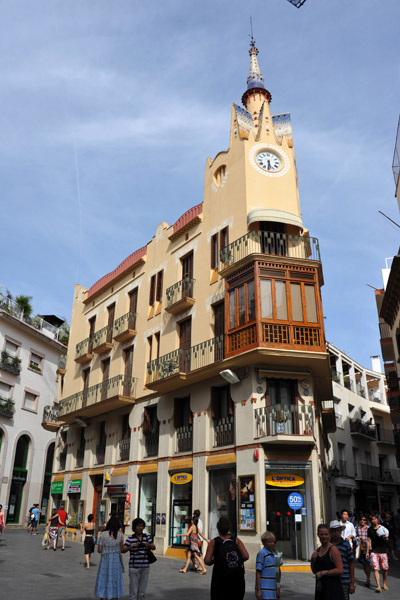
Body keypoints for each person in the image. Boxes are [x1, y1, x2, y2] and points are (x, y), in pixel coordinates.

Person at [204, 516, 249, 600]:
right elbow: (246, 556)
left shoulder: (214, 542)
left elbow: (207, 560)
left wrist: (215, 560)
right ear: (229, 528)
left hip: (220, 578)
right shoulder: (236, 540)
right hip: (237, 578)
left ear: (218, 528)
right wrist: (236, 560)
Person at [122, 517, 155, 600]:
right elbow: (123, 550)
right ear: (134, 527)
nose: (140, 528)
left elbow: (154, 547)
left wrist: (149, 545)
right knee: (133, 591)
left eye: (142, 526)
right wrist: (132, 546)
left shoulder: (147, 537)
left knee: (142, 592)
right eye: (138, 526)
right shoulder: (130, 538)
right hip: (134, 567)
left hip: (145, 566)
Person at [310, 523, 344, 600]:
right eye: (321, 534)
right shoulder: (318, 550)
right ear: (318, 535)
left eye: (326, 534)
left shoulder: (333, 549)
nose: (324, 536)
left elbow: (340, 570)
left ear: (329, 535)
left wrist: (323, 573)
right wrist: (312, 559)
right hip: (321, 589)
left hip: (332, 589)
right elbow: (314, 571)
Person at [94, 515, 124, 600]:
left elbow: (99, 550)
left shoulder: (103, 534)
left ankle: (103, 595)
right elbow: (121, 549)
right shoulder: (120, 535)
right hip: (116, 560)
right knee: (115, 578)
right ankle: (114, 596)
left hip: (105, 559)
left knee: (104, 578)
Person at [329, 520, 355, 600]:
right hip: (330, 582)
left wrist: (352, 583)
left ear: (340, 532)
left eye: (338, 530)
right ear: (330, 532)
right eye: (334, 531)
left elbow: (351, 564)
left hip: (344, 581)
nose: (336, 533)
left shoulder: (345, 545)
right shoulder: (327, 546)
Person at [366, 514, 389, 592]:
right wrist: (367, 552)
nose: (374, 521)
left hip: (383, 551)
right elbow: (368, 540)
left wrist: (384, 537)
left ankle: (384, 583)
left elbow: (387, 539)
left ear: (377, 520)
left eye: (375, 519)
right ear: (371, 521)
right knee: (376, 569)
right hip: (374, 552)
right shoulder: (370, 529)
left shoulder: (382, 528)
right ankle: (378, 586)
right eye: (372, 519)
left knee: (385, 569)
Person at [256, 531, 279, 600]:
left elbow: (273, 574)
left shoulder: (273, 554)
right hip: (264, 590)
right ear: (264, 542)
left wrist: (276, 588)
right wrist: (259, 590)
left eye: (273, 542)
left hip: (272, 590)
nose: (272, 544)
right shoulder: (262, 553)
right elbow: (258, 572)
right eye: (269, 542)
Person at [356, 515, 371, 587]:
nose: (362, 521)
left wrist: (368, 551)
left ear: (366, 521)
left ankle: (368, 578)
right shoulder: (357, 528)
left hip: (367, 548)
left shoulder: (368, 528)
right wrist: (355, 539)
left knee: (367, 563)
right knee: (363, 563)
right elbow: (355, 536)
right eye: (361, 519)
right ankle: (367, 577)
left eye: (364, 520)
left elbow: (369, 540)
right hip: (360, 548)